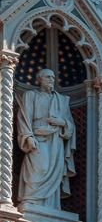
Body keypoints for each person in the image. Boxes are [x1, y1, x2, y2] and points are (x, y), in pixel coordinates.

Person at [16, 68, 75, 214]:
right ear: (39, 79)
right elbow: (24, 118)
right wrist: (28, 136)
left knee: (54, 169)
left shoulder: (61, 100)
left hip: (56, 140)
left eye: (53, 77)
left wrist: (62, 122)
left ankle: (51, 206)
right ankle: (31, 200)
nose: (51, 80)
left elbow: (70, 126)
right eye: (48, 77)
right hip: (37, 137)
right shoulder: (30, 95)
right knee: (39, 168)